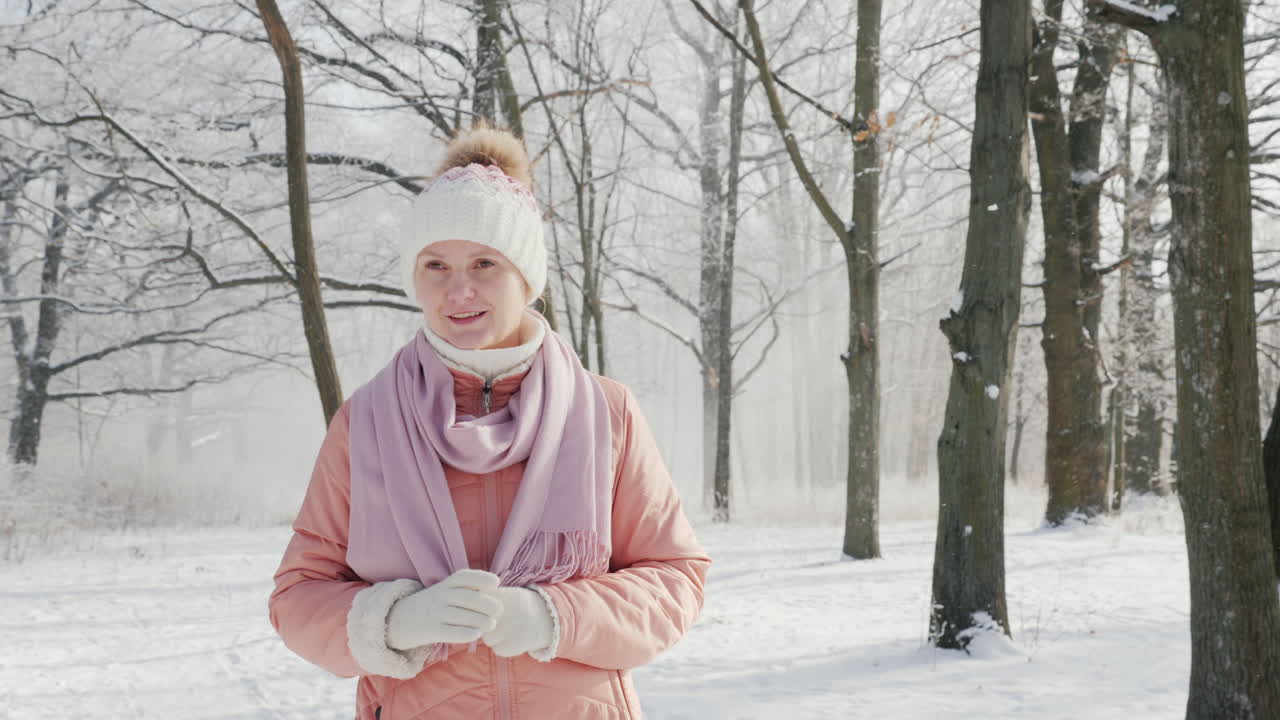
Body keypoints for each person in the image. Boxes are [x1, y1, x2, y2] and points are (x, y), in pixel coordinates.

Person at [268, 124, 710, 720]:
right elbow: (298, 597)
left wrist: (554, 617)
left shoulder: (608, 413)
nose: (460, 290)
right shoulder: (366, 422)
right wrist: (396, 621)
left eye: (484, 262)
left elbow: (674, 579)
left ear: (526, 276)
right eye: (436, 265)